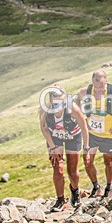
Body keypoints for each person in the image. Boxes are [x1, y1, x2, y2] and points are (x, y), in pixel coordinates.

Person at [76, 70, 112, 199]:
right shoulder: (85, 91)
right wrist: (82, 117)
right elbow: (76, 101)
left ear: (106, 81)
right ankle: (96, 187)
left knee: (108, 162)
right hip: (91, 134)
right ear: (92, 81)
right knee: (87, 161)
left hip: (108, 135)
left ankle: (108, 186)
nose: (100, 90)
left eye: (102, 86)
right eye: (97, 87)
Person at [39, 84, 89, 212]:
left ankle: (75, 191)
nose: (58, 107)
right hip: (54, 136)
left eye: (62, 103)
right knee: (58, 168)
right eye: (55, 104)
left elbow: (84, 127)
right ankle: (60, 200)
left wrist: (86, 149)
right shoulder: (44, 109)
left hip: (73, 136)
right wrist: (53, 147)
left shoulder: (73, 108)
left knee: (72, 171)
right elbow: (43, 127)